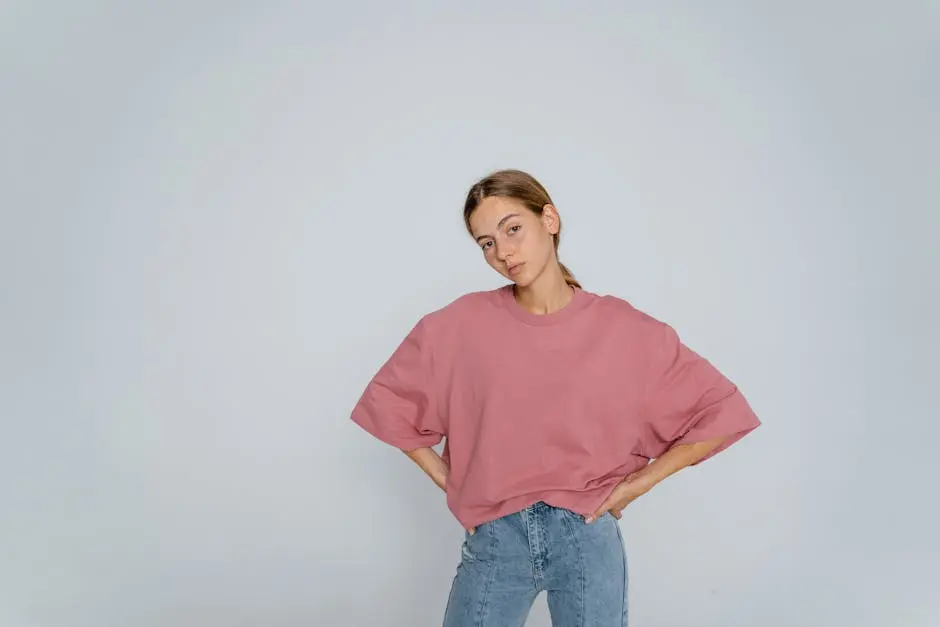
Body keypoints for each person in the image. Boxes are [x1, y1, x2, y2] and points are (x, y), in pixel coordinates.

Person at [349, 169, 761, 626]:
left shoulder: (621, 329)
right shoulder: (461, 325)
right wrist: (451, 481)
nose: (503, 252)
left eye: (512, 229)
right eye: (486, 242)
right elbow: (388, 403)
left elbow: (721, 412)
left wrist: (637, 484)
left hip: (585, 537)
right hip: (497, 539)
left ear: (549, 219)